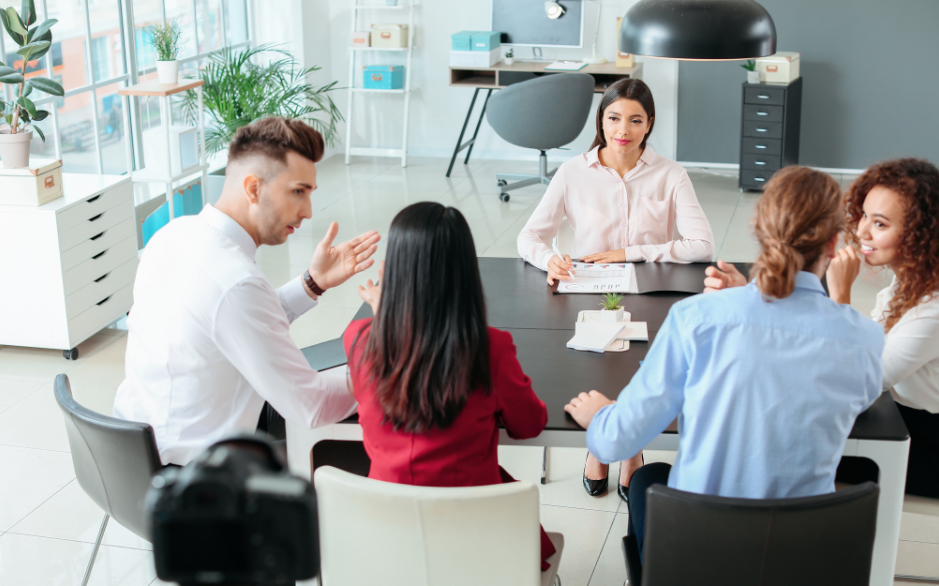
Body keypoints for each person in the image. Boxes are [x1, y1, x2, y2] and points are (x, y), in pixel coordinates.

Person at [565, 166, 884, 562]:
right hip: (801, 557)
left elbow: (616, 442)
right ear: (834, 244)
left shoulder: (697, 318)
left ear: (759, 229)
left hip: (701, 552)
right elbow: (856, 398)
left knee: (648, 476)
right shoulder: (865, 339)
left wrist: (601, 416)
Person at [113, 117, 381, 466]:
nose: (308, 211)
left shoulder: (172, 236)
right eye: (298, 191)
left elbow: (230, 324)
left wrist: (312, 283)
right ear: (253, 188)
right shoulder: (236, 282)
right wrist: (389, 366)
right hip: (195, 482)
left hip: (128, 456)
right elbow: (311, 406)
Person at [516, 78, 715, 501]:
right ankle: (602, 444)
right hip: (588, 291)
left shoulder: (670, 174)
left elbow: (703, 246)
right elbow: (529, 237)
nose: (622, 129)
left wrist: (631, 251)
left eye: (635, 120)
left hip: (650, 289)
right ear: (601, 121)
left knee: (641, 368)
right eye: (613, 118)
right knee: (594, 366)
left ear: (649, 125)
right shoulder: (573, 172)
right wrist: (548, 258)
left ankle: (628, 448)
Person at [344, 202, 557, 571]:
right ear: (465, 274)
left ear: (393, 271)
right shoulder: (490, 349)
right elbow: (530, 425)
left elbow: (402, 351)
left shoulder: (360, 341)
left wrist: (386, 312)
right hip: (477, 547)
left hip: (387, 545)